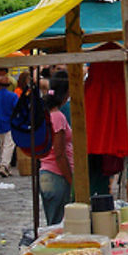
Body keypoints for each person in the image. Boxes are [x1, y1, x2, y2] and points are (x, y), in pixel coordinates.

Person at [39, 82, 73, 225]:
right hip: (56, 175)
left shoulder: (46, 116)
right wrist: (70, 178)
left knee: (52, 222)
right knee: (57, 225)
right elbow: (59, 153)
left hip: (47, 173)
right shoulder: (57, 117)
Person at [0, 81, 18, 177]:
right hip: (9, 123)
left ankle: (5, 166)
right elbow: (16, 108)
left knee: (2, 145)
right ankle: (4, 165)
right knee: (8, 146)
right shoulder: (13, 96)